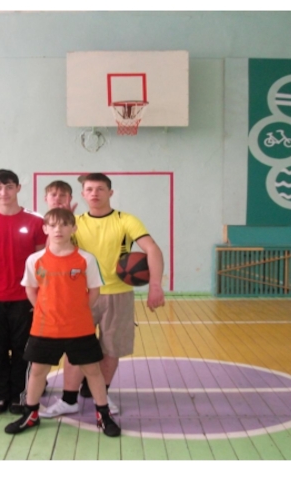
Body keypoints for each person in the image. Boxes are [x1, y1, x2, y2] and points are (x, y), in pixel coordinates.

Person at [41, 172, 165, 418]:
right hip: (81, 295)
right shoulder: (75, 222)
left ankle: (102, 395)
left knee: (111, 349)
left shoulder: (126, 220)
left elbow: (152, 249)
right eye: (89, 189)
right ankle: (68, 400)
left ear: (110, 193)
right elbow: (52, 253)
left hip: (118, 294)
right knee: (76, 349)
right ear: (83, 194)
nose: (94, 193)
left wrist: (155, 285)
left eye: (100, 189)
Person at [4, 208, 120, 437]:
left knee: (92, 371)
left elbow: (94, 291)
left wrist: (78, 310)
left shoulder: (86, 259)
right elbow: (31, 289)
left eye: (65, 225)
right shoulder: (35, 260)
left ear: (73, 228)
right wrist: (44, 310)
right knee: (38, 370)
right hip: (45, 327)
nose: (59, 229)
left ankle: (103, 415)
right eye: (53, 225)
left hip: (79, 328)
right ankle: (31, 414)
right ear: (45, 229)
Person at [0, 169, 47, 414]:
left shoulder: (35, 221)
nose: (3, 192)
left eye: (8, 186)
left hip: (24, 298)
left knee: (21, 348)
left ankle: (18, 394)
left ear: (18, 188)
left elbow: (41, 261)